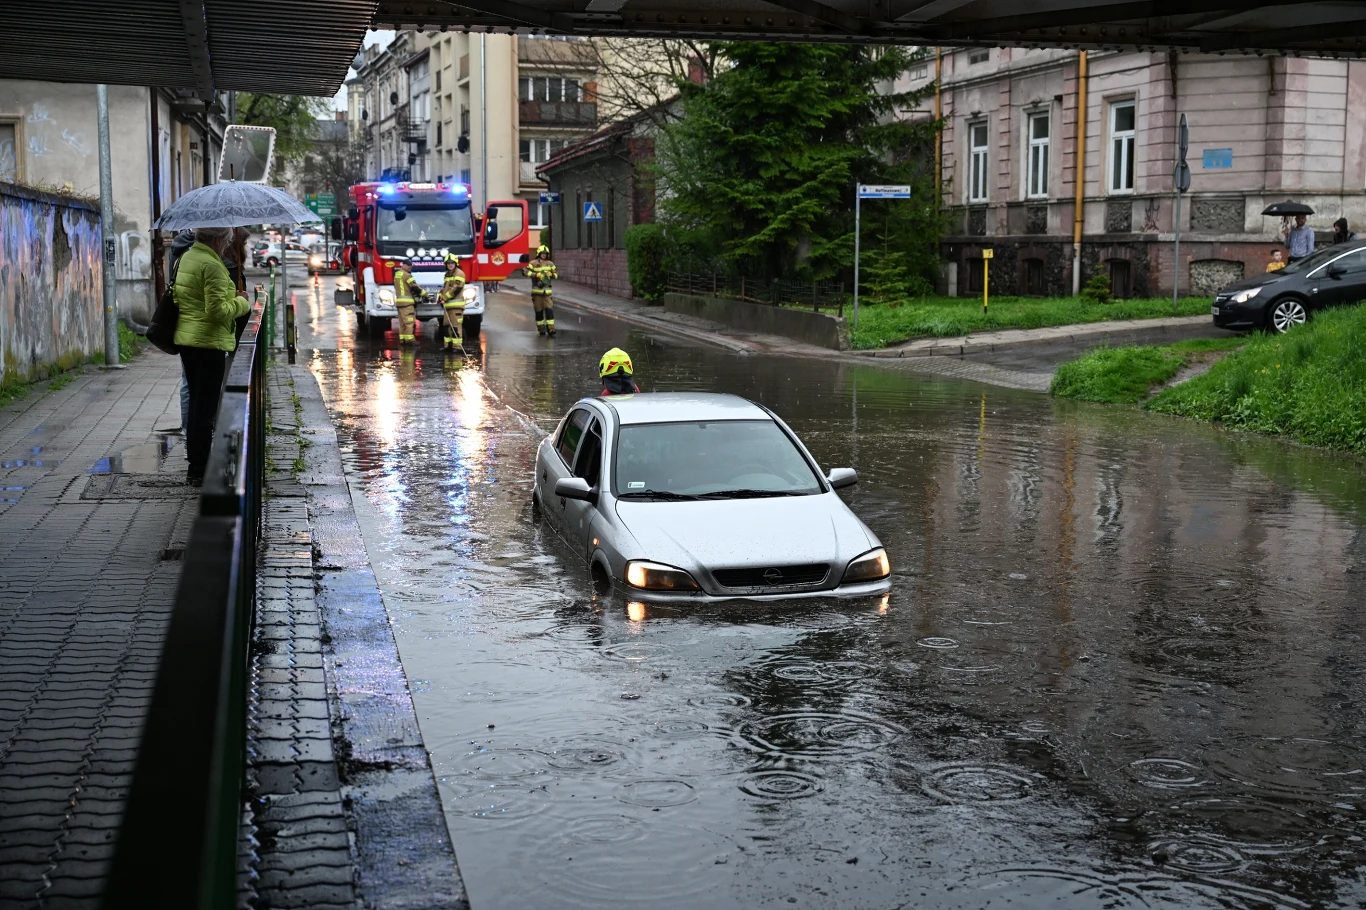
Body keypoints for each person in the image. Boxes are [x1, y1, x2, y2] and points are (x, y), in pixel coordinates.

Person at [173, 227, 251, 485]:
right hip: (209, 344)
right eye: (226, 240)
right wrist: (242, 302)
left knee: (196, 406)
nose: (226, 245)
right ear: (218, 239)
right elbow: (217, 311)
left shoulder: (188, 257)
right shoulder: (212, 265)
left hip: (188, 341)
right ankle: (201, 469)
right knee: (205, 410)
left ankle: (194, 464)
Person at [392, 256, 426, 345]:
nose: (410, 267)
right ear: (403, 265)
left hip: (399, 302)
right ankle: (410, 340)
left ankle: (403, 339)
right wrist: (425, 294)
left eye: (410, 265)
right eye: (408, 265)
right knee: (409, 322)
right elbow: (415, 287)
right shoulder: (407, 275)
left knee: (402, 323)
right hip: (407, 303)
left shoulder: (397, 274)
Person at [526, 244, 558, 337]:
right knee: (539, 312)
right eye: (542, 254)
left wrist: (551, 274)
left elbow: (556, 275)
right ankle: (541, 329)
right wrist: (536, 275)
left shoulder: (550, 264)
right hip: (537, 293)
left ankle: (551, 329)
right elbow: (525, 272)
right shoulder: (533, 263)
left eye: (545, 254)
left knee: (549, 311)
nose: (544, 255)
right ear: (539, 254)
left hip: (547, 293)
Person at [437, 252, 467, 351]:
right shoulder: (447, 275)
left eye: (452, 263)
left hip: (456, 306)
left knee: (455, 326)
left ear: (456, 264)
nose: (450, 264)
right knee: (446, 326)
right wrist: (441, 296)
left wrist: (445, 298)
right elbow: (446, 288)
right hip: (448, 306)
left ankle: (457, 347)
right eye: (448, 263)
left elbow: (456, 288)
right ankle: (448, 346)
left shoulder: (459, 273)